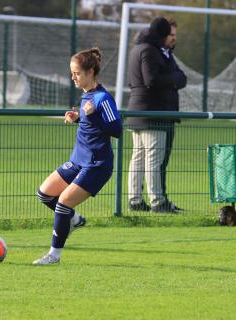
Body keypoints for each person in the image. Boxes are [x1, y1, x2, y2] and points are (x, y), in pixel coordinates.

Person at [34, 47, 122, 265]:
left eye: (77, 73)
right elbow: (91, 124)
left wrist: (92, 117)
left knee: (63, 203)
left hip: (96, 165)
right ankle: (74, 219)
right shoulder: (86, 97)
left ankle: (54, 256)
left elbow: (117, 130)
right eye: (72, 73)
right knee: (44, 194)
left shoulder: (103, 98)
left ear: (90, 72)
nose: (73, 77)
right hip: (78, 160)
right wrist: (78, 118)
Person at [126, 16, 187, 213]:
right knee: (153, 159)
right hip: (153, 114)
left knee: (139, 157)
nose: (174, 38)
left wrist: (176, 77)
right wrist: (174, 79)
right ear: (161, 34)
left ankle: (135, 200)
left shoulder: (139, 49)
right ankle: (158, 202)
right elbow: (152, 80)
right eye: (170, 34)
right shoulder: (150, 51)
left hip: (138, 111)